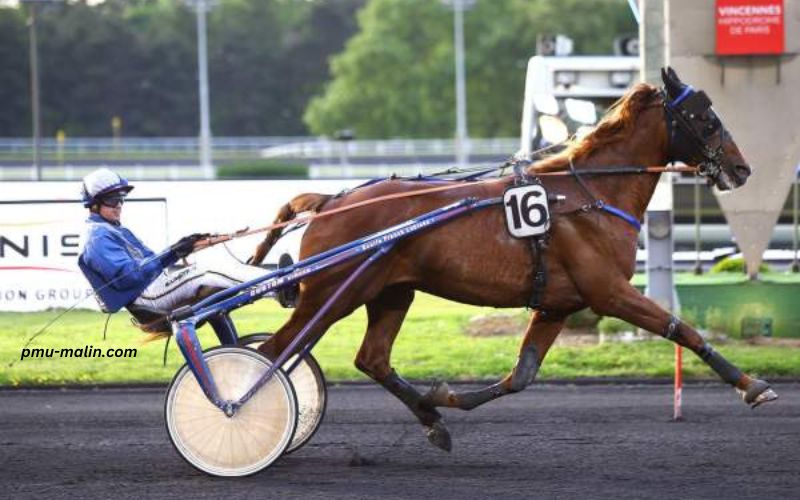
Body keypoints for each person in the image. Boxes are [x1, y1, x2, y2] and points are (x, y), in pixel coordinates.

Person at [77, 168, 270, 337]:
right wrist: (173, 251)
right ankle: (279, 286)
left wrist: (181, 248)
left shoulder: (114, 229)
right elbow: (131, 277)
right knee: (208, 271)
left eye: (121, 199)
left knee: (211, 268)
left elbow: (152, 261)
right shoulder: (98, 237)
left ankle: (276, 284)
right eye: (112, 200)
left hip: (155, 287)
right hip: (148, 296)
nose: (119, 205)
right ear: (94, 204)